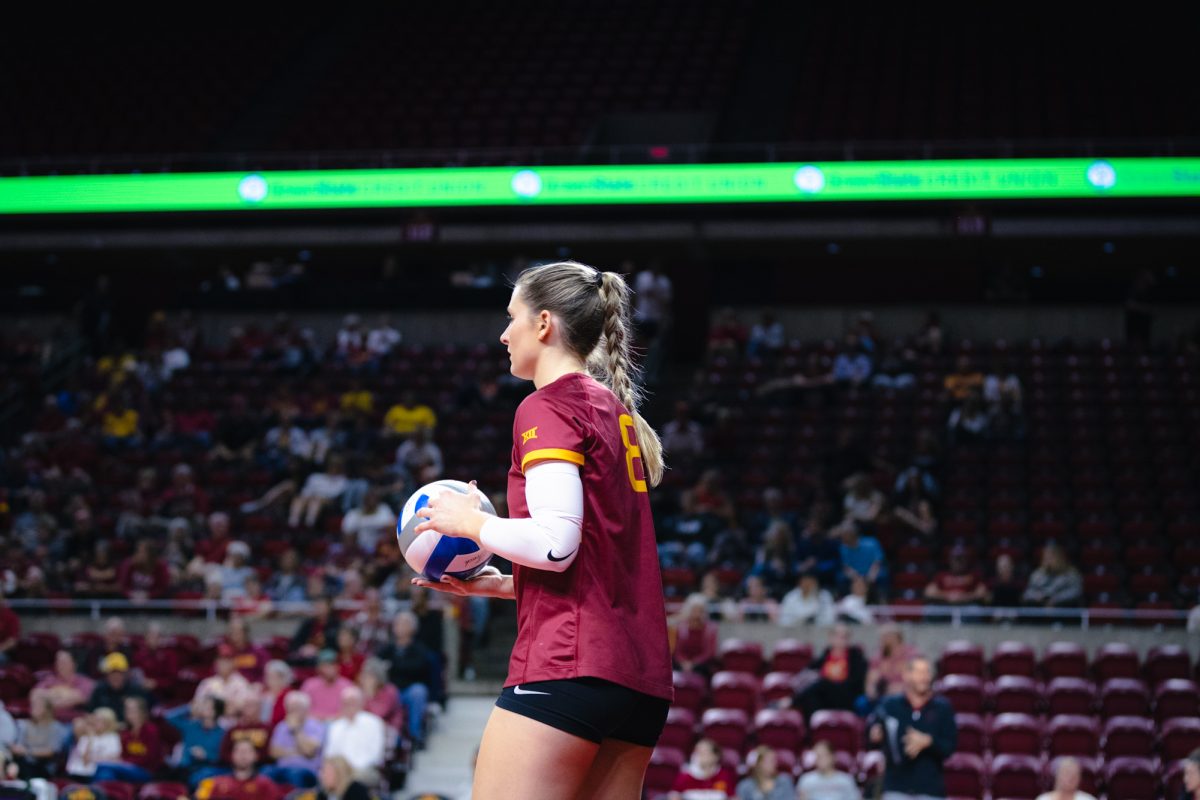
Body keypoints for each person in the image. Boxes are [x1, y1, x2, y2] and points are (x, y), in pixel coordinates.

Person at [410, 261, 674, 800]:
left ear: (545, 324)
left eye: (512, 318)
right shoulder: (612, 410)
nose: (504, 334)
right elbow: (597, 563)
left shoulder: (547, 406)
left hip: (567, 666)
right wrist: (508, 585)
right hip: (638, 680)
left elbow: (556, 545)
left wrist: (474, 523)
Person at [868, 656, 957, 800]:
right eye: (919, 672)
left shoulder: (942, 707)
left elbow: (950, 747)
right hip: (896, 787)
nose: (925, 677)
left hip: (930, 789)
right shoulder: (891, 705)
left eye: (927, 672)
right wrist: (874, 733)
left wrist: (929, 741)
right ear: (906, 675)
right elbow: (871, 731)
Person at [375, 611, 433, 747]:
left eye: (404, 623)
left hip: (409, 689)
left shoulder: (419, 649)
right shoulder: (387, 648)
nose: (399, 626)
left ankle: (414, 735)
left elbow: (419, 669)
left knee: (418, 692)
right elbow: (376, 665)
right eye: (397, 623)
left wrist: (393, 666)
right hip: (390, 690)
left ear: (413, 628)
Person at [793, 625, 867, 721]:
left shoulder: (855, 657)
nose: (841, 640)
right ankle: (816, 729)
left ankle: (792, 701)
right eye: (838, 636)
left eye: (844, 637)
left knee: (823, 683)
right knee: (811, 697)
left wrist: (832, 684)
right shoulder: (825, 656)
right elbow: (807, 671)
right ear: (831, 638)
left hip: (846, 695)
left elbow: (857, 683)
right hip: (825, 696)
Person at [321, 686, 386, 785]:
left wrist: (351, 769)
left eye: (353, 703)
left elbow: (375, 755)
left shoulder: (373, 723)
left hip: (364, 769)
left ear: (361, 704)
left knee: (352, 779)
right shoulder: (335, 726)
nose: (349, 707)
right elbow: (329, 754)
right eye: (346, 703)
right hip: (339, 770)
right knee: (324, 777)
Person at [263, 691, 324, 789]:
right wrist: (296, 752)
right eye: (290, 708)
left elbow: (308, 751)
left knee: (294, 775)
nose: (292, 712)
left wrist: (296, 730)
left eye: (296, 708)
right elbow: (274, 752)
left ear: (306, 709)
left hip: (306, 770)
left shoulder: (316, 726)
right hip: (282, 768)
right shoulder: (281, 726)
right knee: (265, 772)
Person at [194, 739, 280, 800]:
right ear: (232, 755)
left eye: (247, 751)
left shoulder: (266, 784)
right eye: (238, 751)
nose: (243, 755)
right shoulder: (215, 782)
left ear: (255, 756)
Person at [11, 692, 69, 778]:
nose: (32, 709)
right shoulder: (24, 724)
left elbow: (51, 752)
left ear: (47, 710)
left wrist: (27, 751)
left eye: (37, 706)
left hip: (43, 766)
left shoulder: (56, 728)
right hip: (23, 762)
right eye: (32, 706)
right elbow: (18, 746)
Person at [668, 738, 735, 799]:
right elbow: (673, 796)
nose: (700, 754)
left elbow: (733, 797)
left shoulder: (725, 775)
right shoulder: (685, 776)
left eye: (705, 751)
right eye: (697, 751)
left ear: (716, 756)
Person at [65, 707, 121, 781]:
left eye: (99, 721)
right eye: (95, 720)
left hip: (101, 772)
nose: (95, 723)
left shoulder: (113, 737)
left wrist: (93, 759)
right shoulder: (85, 738)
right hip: (79, 773)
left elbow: (114, 758)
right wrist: (91, 739)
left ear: (108, 723)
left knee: (105, 774)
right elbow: (85, 760)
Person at [1022, 543, 1083, 608]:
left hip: (1062, 608)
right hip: (1041, 607)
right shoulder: (1037, 574)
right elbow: (1027, 593)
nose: (1048, 560)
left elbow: (1076, 592)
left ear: (1059, 558)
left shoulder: (1071, 573)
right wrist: (1037, 596)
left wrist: (1056, 599)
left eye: (1051, 557)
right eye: (1046, 557)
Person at [670, 593, 719, 676]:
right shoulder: (682, 627)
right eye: (694, 610)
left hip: (701, 665)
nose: (697, 614)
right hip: (682, 664)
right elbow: (677, 651)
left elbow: (710, 652)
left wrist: (693, 664)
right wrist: (684, 663)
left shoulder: (711, 629)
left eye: (700, 611)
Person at [300, 650, 355, 722]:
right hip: (314, 724)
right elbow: (302, 709)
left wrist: (333, 719)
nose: (330, 668)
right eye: (326, 665)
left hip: (339, 724)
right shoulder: (309, 685)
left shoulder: (347, 685)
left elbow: (351, 709)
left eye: (333, 664)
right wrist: (320, 719)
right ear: (319, 667)